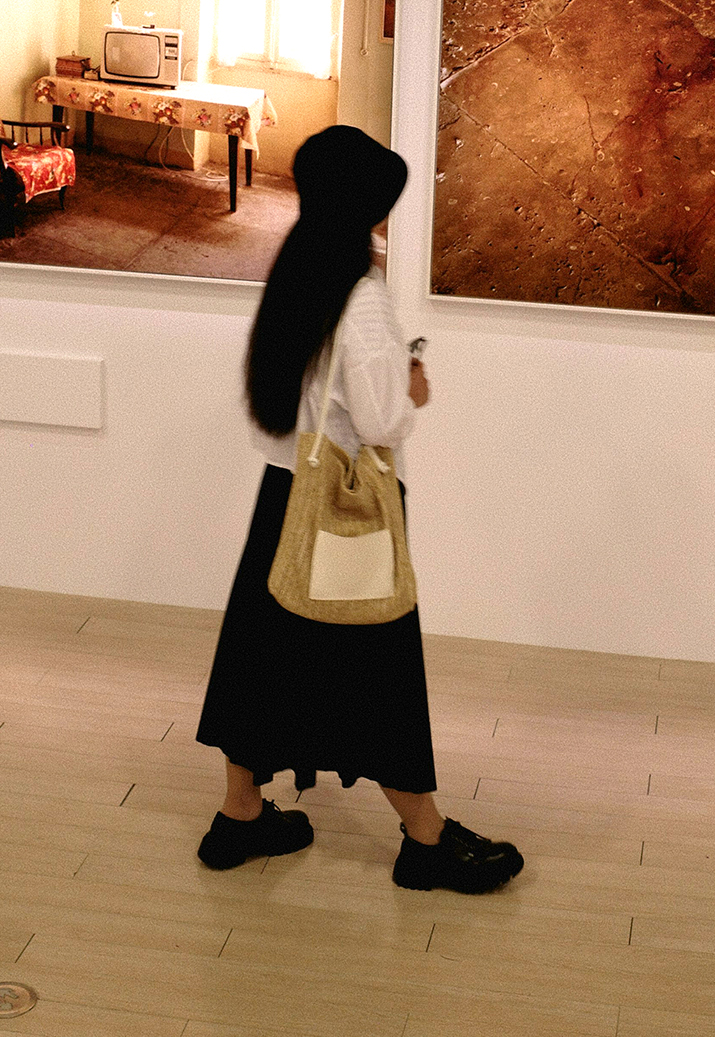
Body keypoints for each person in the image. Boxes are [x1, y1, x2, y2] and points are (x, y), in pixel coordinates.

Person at [193, 125, 523, 895]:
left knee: (260, 658)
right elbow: (378, 423)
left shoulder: (297, 270)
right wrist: (411, 389)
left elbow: (277, 407)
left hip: (284, 500)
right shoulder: (364, 296)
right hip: (347, 510)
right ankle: (426, 838)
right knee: (378, 677)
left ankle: (240, 816)